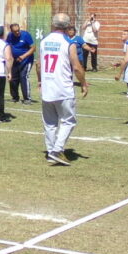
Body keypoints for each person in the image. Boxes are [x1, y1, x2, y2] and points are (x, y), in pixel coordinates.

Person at [36, 13, 89, 165]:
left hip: (48, 87)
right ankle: (57, 150)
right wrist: (84, 83)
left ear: (53, 24)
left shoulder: (44, 41)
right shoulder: (68, 42)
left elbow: (38, 64)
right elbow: (77, 67)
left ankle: (51, 151)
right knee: (68, 121)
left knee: (50, 123)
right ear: (67, 26)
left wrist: (40, 81)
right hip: (63, 88)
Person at [6, 23, 36, 104]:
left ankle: (27, 98)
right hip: (15, 60)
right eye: (15, 31)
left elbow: (33, 48)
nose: (17, 32)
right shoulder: (9, 36)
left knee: (23, 76)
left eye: (18, 30)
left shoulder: (26, 35)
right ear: (11, 31)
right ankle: (15, 97)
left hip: (26, 60)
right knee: (13, 78)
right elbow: (7, 46)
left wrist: (23, 56)